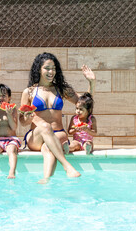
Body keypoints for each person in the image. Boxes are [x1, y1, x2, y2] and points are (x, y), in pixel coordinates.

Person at [19, 52, 95, 181]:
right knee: (44, 126)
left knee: (48, 148)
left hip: (58, 134)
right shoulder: (29, 92)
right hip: (36, 136)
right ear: (39, 69)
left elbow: (85, 103)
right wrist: (28, 118)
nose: (51, 71)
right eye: (47, 68)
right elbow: (22, 122)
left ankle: (46, 180)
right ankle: (67, 166)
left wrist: (91, 83)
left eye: (53, 68)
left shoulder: (62, 89)